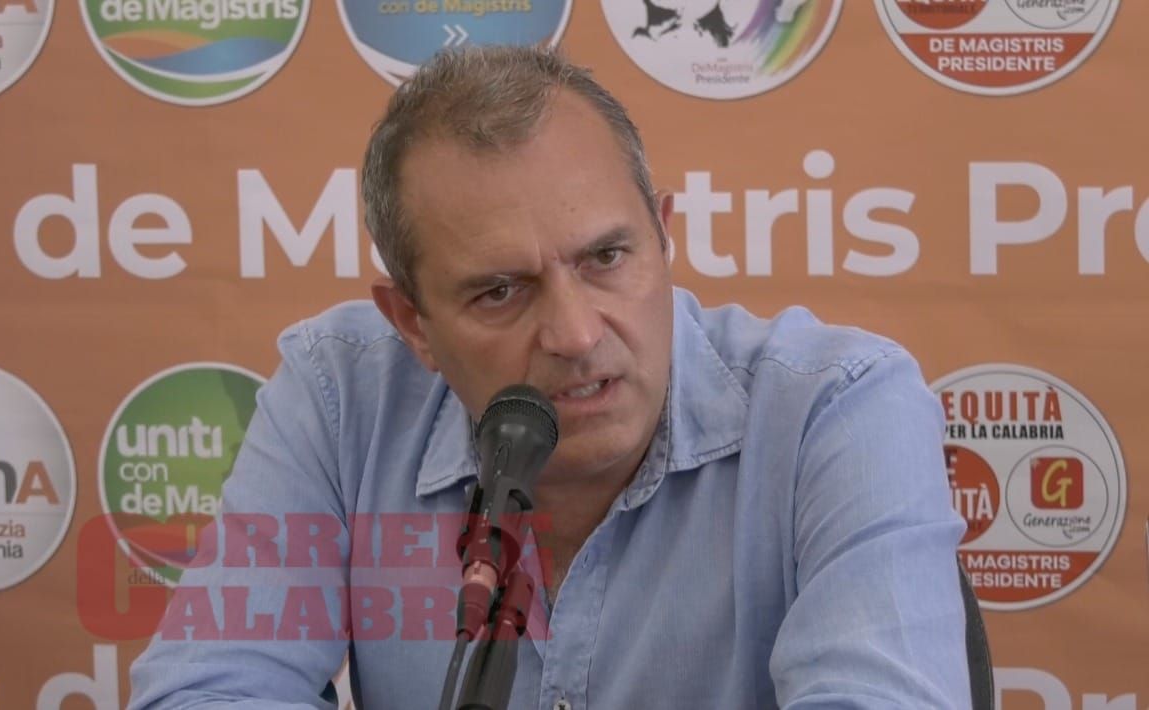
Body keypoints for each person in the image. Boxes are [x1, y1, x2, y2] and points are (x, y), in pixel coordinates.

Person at [128, 45, 970, 708]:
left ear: (663, 237)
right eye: (500, 291)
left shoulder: (838, 407)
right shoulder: (339, 396)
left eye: (606, 258)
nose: (575, 334)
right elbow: (208, 689)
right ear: (413, 323)